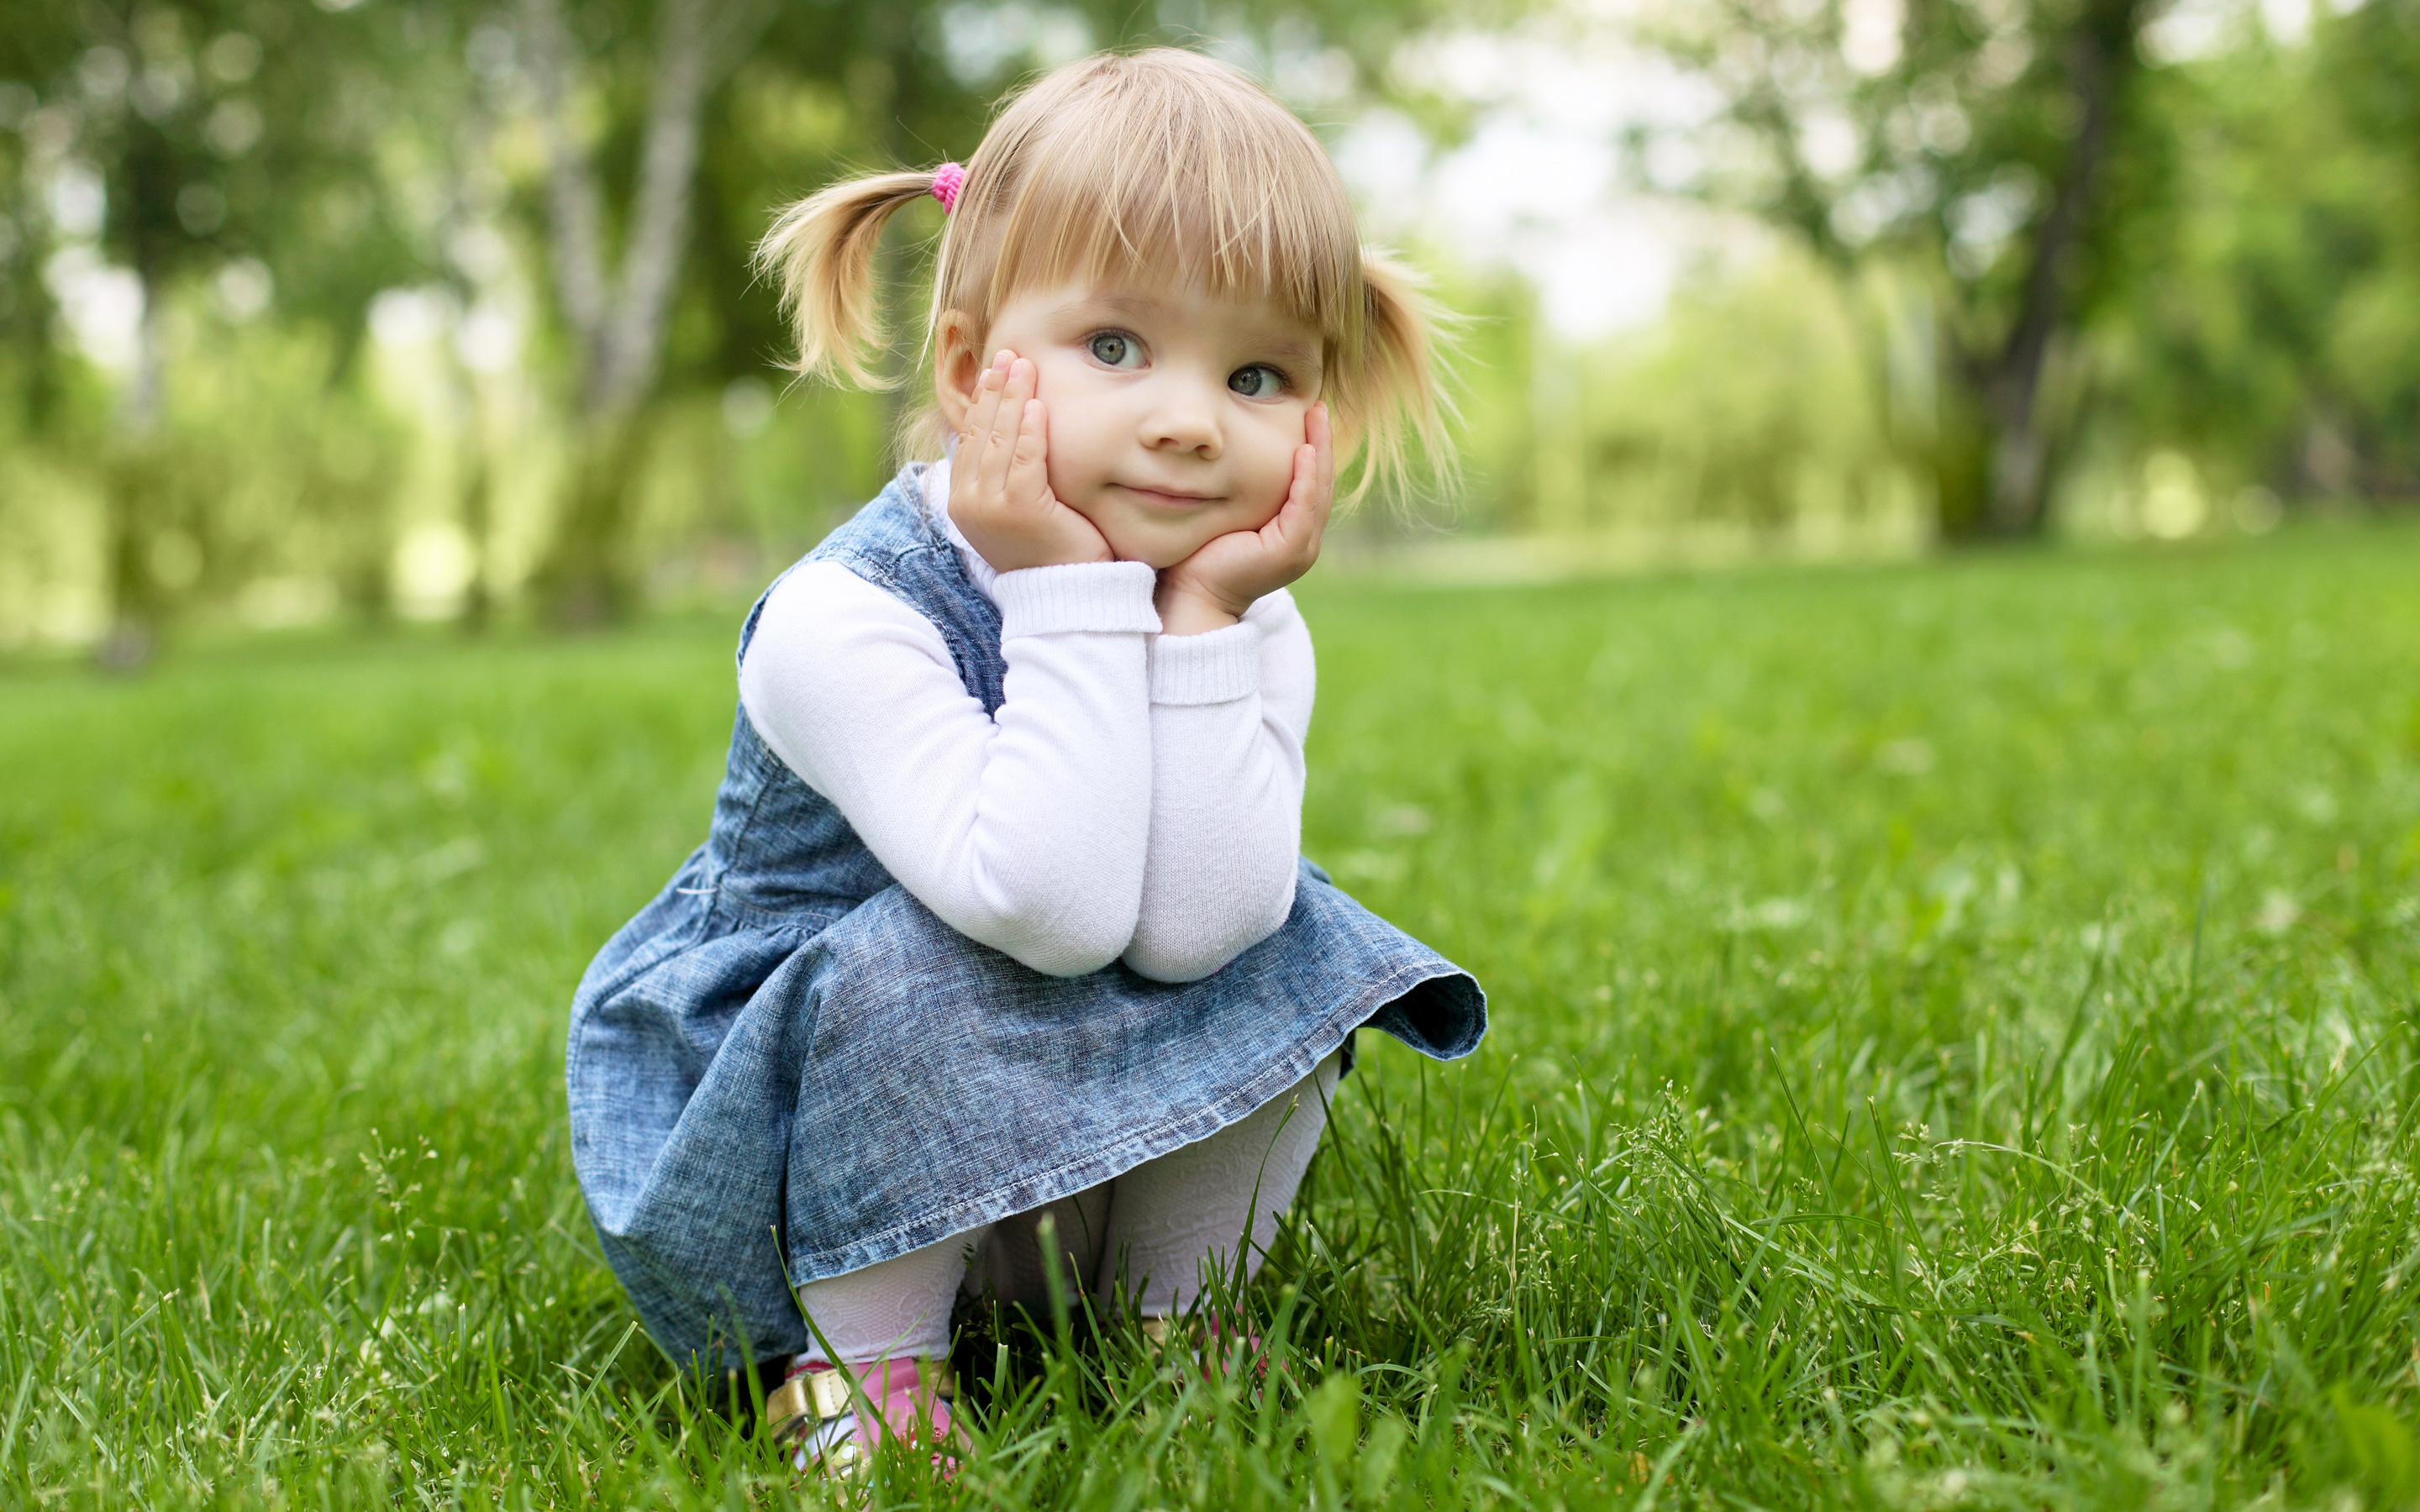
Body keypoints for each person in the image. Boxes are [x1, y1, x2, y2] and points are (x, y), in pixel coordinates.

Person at [564, 46, 1486, 1478]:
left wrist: (1191, 629)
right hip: (788, 1164)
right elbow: (1036, 904)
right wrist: (1064, 591)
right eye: (1116, 348)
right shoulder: (842, 617)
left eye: (1253, 374)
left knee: (1289, 917)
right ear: (966, 367)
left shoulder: (1232, 606)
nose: (1188, 417)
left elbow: (1204, 932)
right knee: (925, 951)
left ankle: (1175, 1317)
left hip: (1049, 1143)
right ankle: (864, 1375)